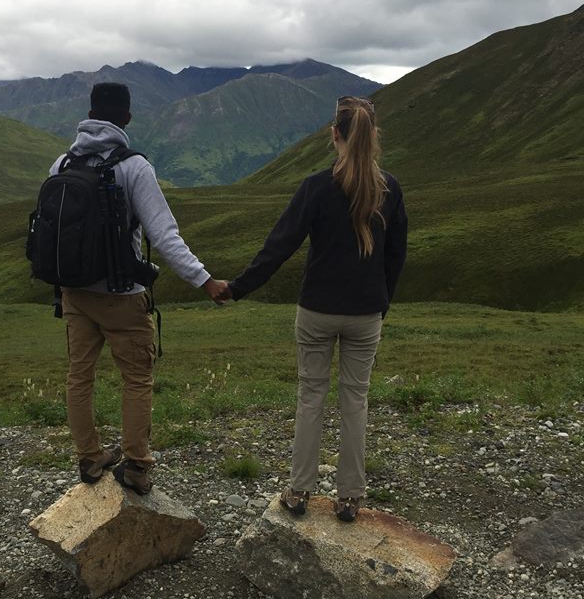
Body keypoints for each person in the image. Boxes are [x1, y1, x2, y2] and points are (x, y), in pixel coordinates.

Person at [217, 95, 407, 522]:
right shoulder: (390, 189)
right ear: (373, 136)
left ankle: (300, 491)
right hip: (366, 313)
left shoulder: (316, 187)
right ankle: (349, 498)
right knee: (355, 400)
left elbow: (279, 246)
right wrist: (381, 303)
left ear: (334, 135)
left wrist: (238, 288)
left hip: (317, 310)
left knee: (311, 397)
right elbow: (396, 257)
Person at [50, 82, 227, 495]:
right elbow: (164, 236)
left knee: (79, 376)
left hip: (74, 291)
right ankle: (136, 465)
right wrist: (204, 280)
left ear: (90, 113)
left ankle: (90, 459)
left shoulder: (61, 164)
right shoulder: (134, 167)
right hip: (122, 294)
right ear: (126, 118)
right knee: (136, 378)